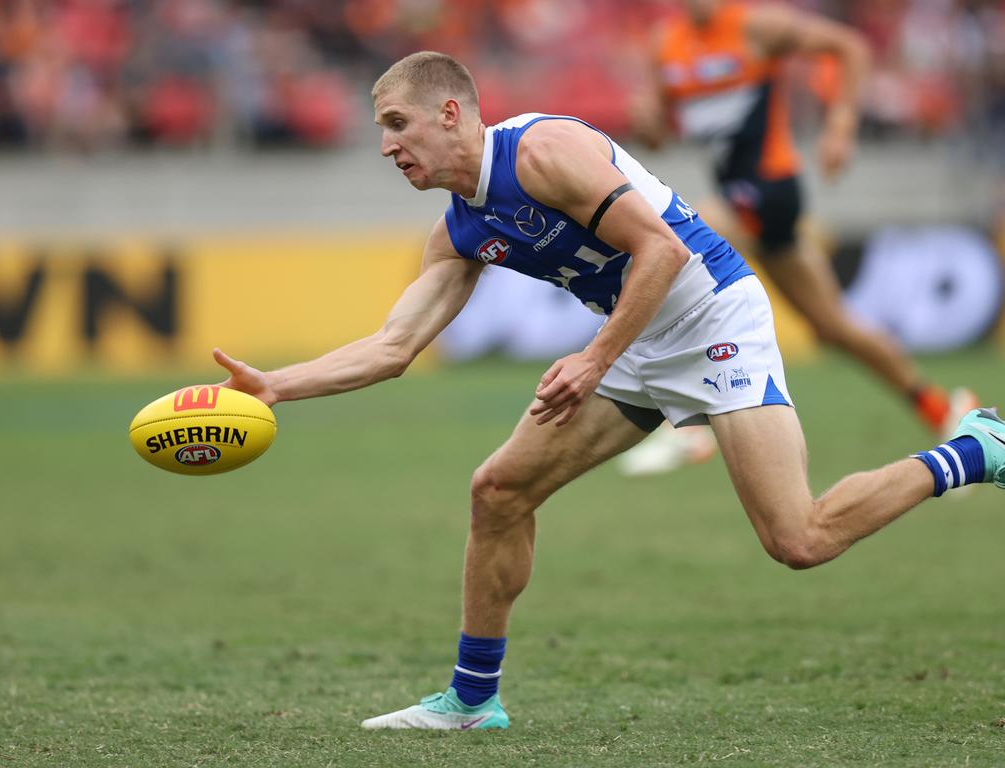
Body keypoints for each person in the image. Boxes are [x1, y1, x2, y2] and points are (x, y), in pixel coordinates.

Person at [212, 51, 1004, 730]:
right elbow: (392, 348)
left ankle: (972, 450)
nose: (385, 145)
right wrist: (275, 385)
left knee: (798, 540)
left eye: (395, 124)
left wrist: (592, 359)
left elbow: (660, 251)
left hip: (712, 313)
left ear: (449, 113)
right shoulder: (460, 226)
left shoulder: (543, 151)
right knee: (499, 491)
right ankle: (471, 700)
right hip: (638, 337)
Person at [619, 0, 976, 477]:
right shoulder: (667, 46)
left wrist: (842, 121)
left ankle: (685, 431)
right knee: (833, 326)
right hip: (740, 194)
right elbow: (662, 133)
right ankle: (946, 411)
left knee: (671, 246)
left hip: (771, 189)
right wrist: (648, 122)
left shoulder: (755, 27)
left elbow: (848, 46)